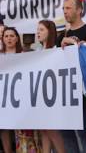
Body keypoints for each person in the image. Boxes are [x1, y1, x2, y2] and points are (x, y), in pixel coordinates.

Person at [58, 0, 86, 153]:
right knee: (66, 132)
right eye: (64, 9)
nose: (65, 11)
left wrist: (77, 44)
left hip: (80, 90)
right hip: (63, 89)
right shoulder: (62, 34)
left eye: (68, 8)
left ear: (79, 10)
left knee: (82, 131)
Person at [36, 20, 66, 153]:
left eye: (41, 30)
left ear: (50, 32)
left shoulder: (57, 50)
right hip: (40, 96)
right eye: (37, 30)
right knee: (44, 130)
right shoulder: (38, 51)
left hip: (53, 96)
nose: (38, 32)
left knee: (52, 130)